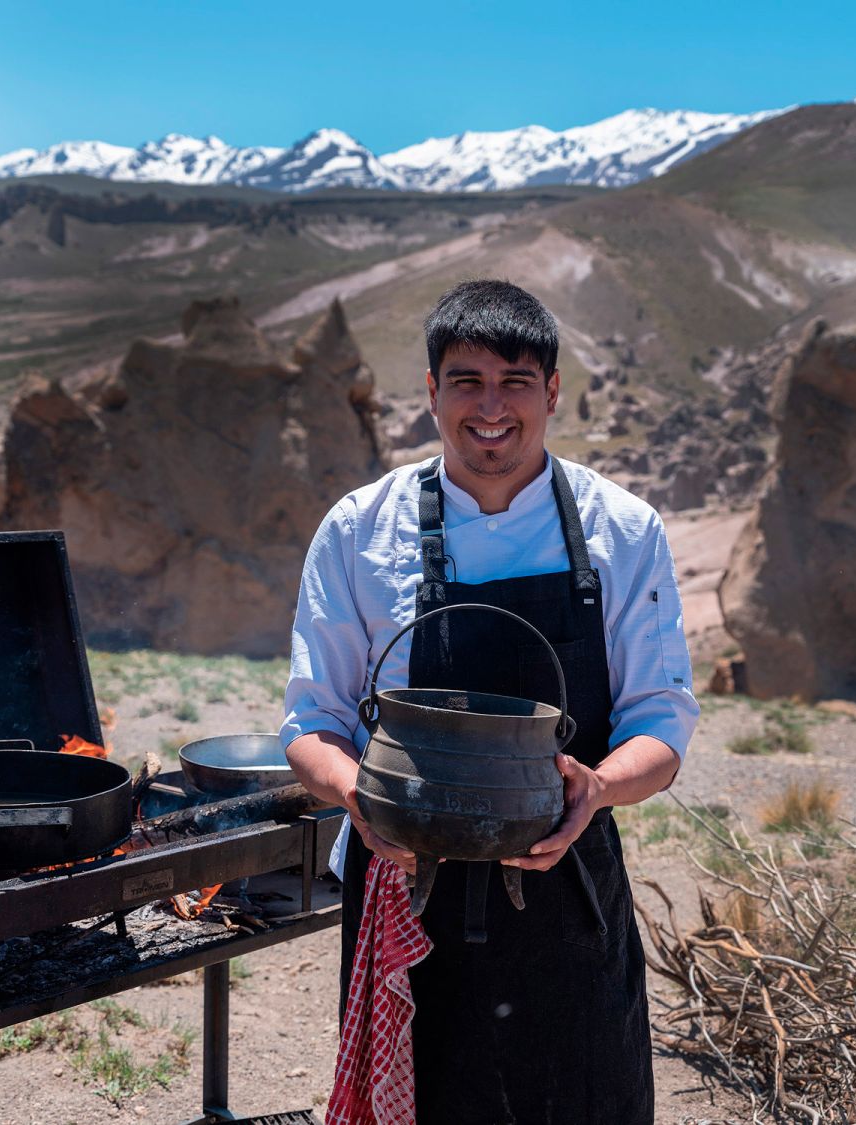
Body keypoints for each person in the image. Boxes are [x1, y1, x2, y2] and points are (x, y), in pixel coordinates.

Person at [280, 279, 699, 1124]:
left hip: (569, 883)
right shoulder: (362, 530)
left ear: (552, 391)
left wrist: (600, 788)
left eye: (515, 381)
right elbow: (312, 721)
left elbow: (662, 718)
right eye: (465, 381)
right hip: (406, 883)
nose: (491, 407)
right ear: (431, 393)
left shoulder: (622, 529)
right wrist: (361, 795)